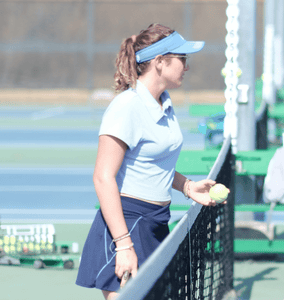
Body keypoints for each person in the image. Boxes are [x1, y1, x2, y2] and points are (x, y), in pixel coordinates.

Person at [76, 23, 222, 300]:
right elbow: (103, 177)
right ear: (159, 62)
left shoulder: (163, 103)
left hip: (156, 223)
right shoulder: (126, 107)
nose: (186, 67)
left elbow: (155, 162)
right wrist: (123, 244)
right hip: (127, 224)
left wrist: (188, 187)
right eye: (182, 59)